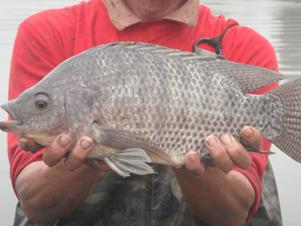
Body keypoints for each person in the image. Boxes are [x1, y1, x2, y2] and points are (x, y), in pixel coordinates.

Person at [8, 0, 282, 226]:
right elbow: (35, 204)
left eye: (42, 105)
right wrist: (86, 160)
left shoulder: (242, 45)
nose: (39, 108)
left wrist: (192, 161)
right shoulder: (47, 33)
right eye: (42, 105)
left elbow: (233, 216)